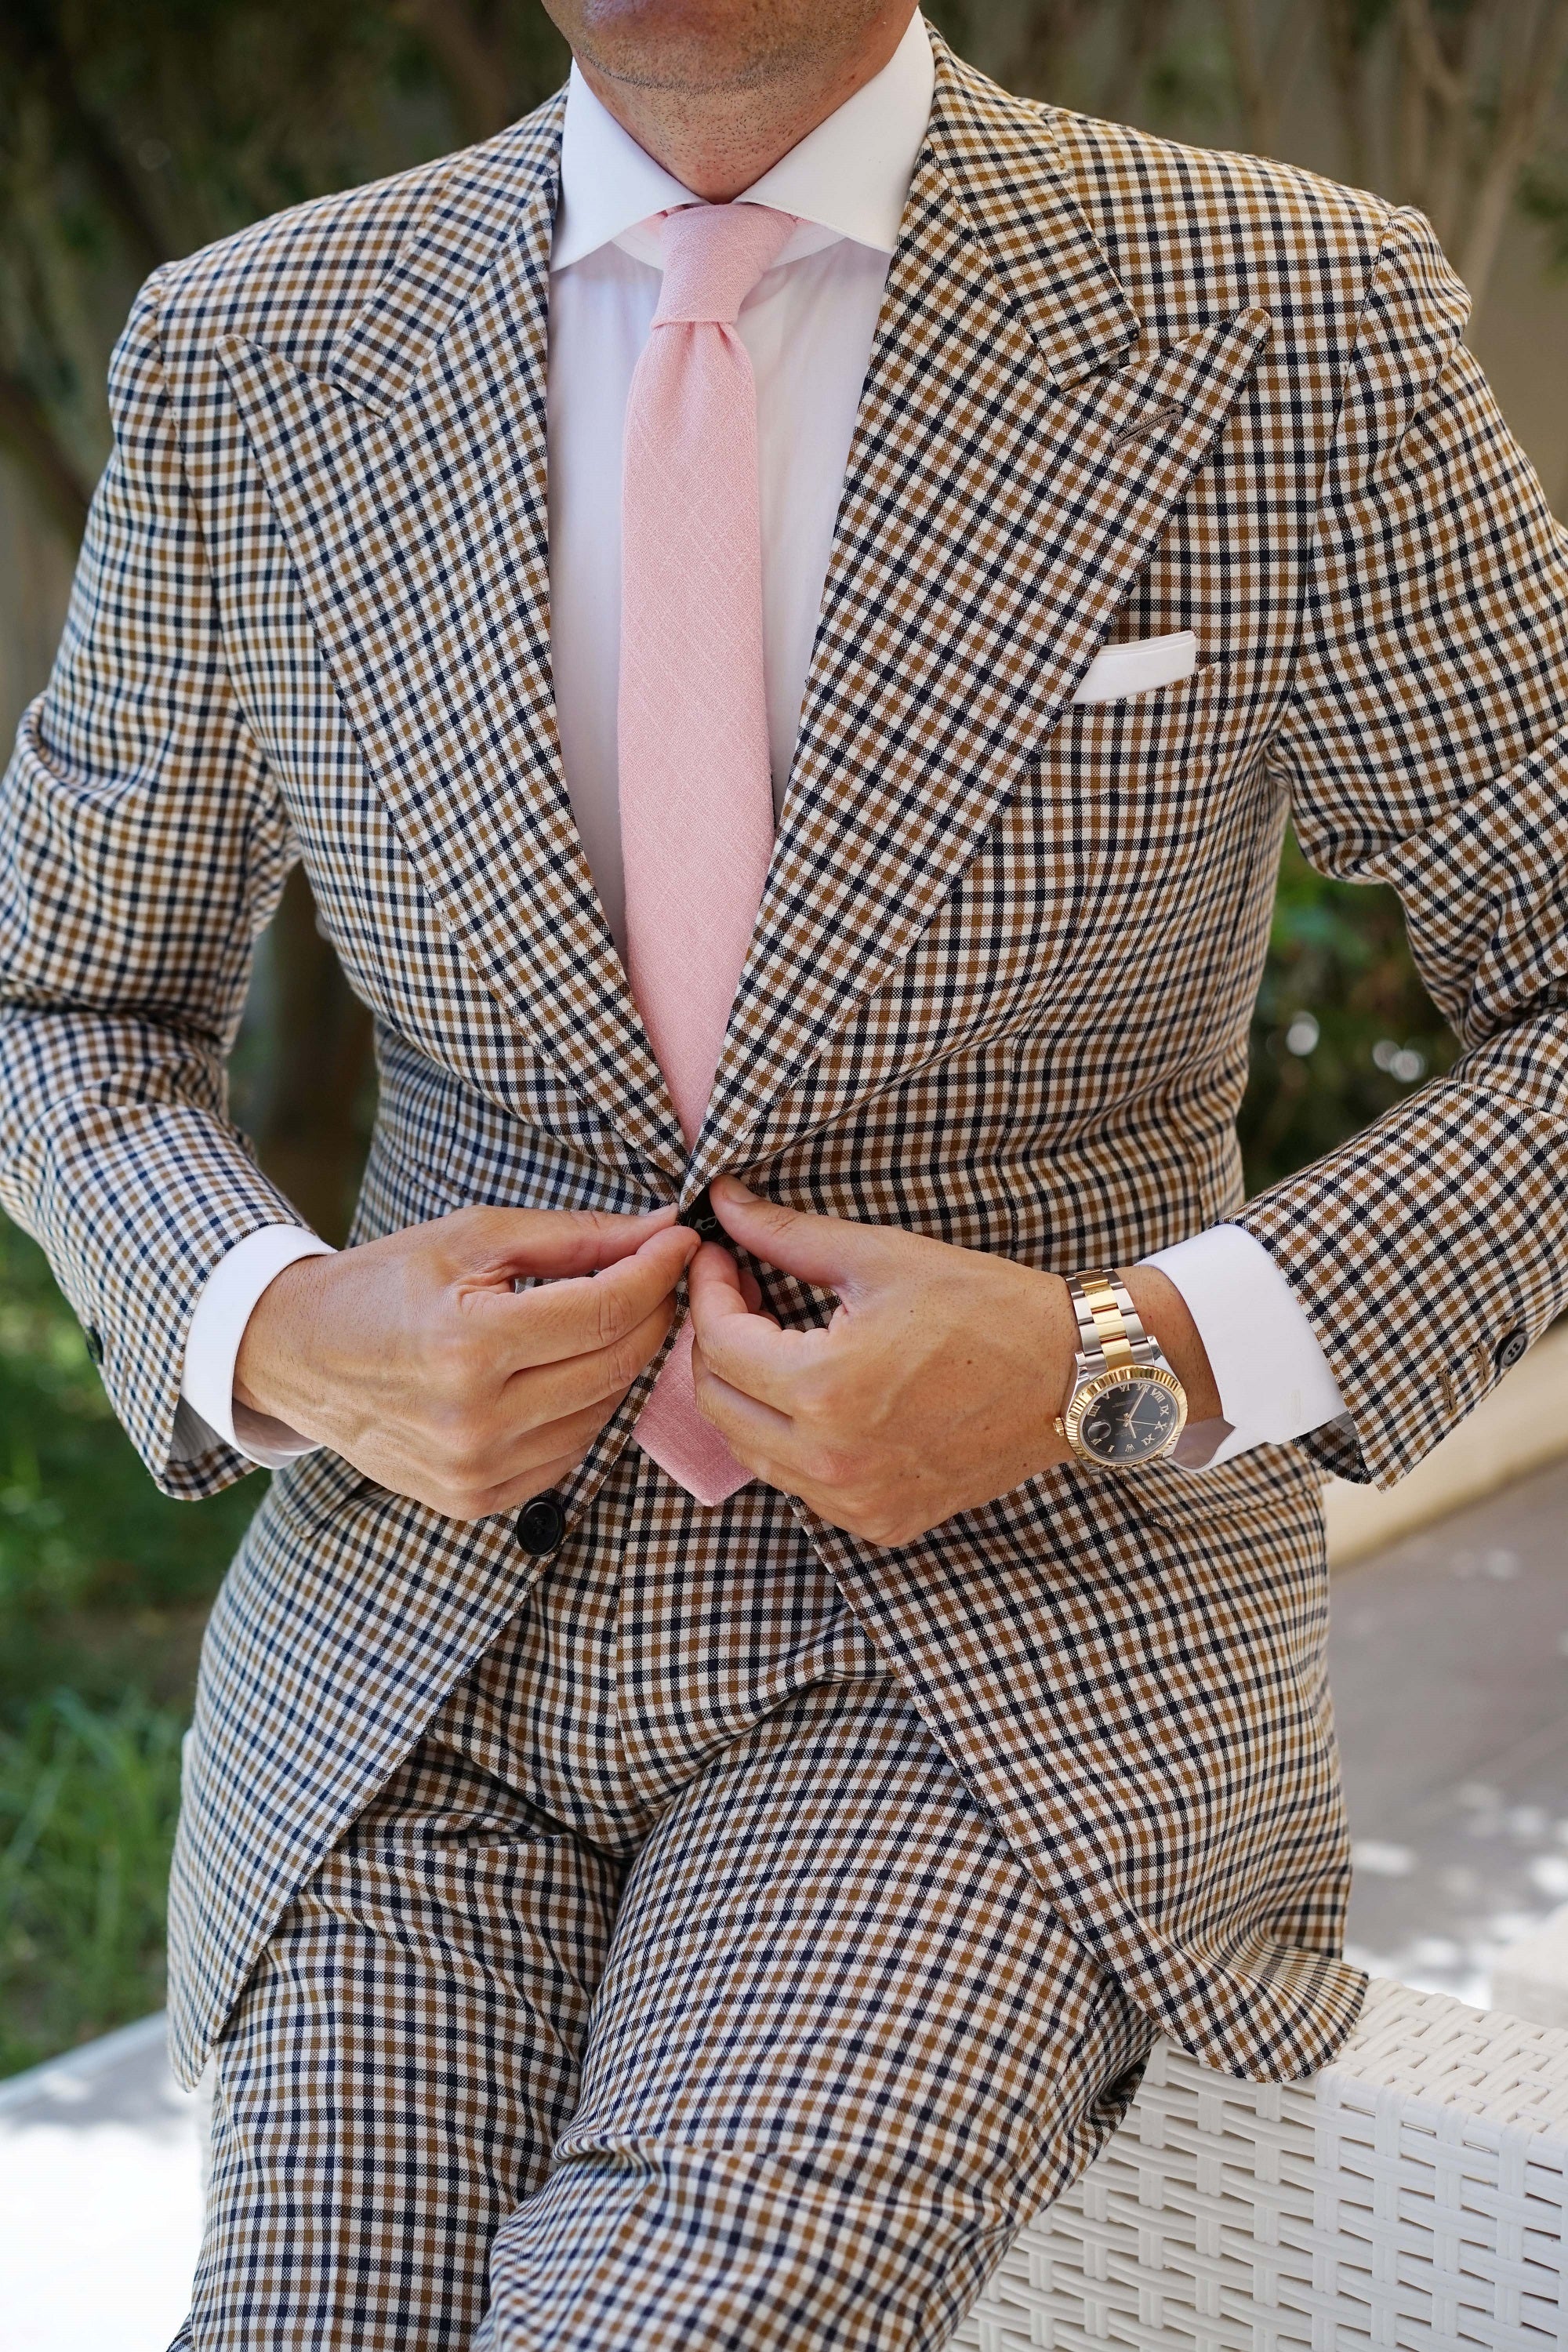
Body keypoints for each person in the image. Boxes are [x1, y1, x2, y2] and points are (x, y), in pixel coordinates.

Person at [2, 0, 1566, 2342]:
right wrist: (282, 1329)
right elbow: (60, 996)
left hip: (1006, 1657)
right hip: (417, 1665)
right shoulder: (254, 349)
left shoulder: (1287, 312)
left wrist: (1125, 1352)